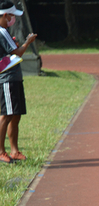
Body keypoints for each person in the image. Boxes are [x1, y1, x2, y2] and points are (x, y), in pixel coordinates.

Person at [0, 1, 36, 164]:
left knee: (15, 115)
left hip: (14, 77)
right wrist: (28, 42)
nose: (13, 19)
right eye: (12, 16)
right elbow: (17, 53)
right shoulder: (1, 31)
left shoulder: (5, 31)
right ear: (5, 15)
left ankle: (14, 151)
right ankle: (1, 152)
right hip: (6, 78)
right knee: (6, 115)